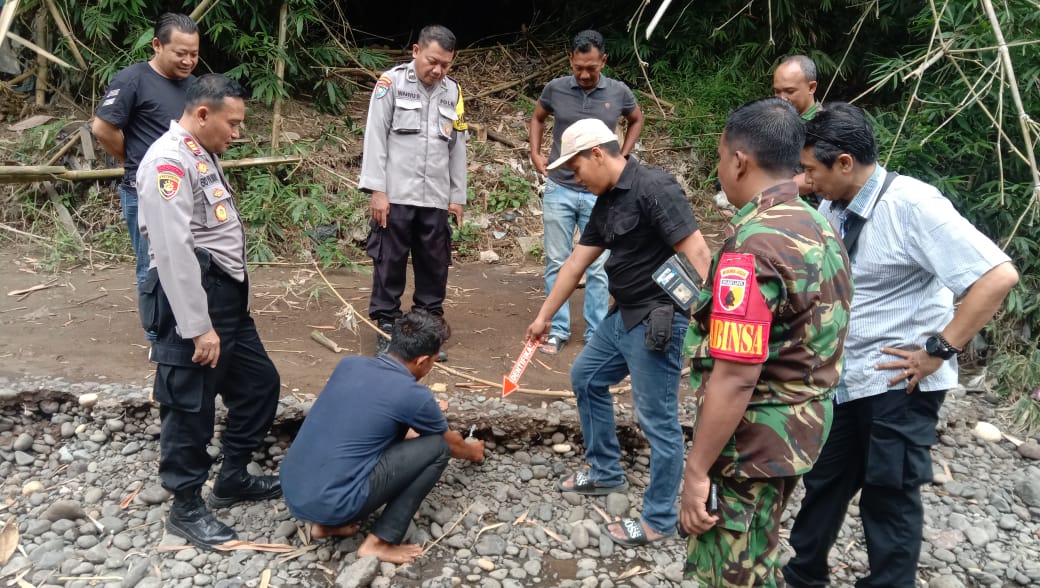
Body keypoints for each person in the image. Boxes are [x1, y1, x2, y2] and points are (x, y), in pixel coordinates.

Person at [782, 102, 1019, 588]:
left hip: (900, 379)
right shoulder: (833, 204)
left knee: (889, 495)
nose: (806, 181)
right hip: (846, 378)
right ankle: (803, 575)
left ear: (844, 163)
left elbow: (997, 276)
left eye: (810, 170)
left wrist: (939, 350)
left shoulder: (912, 205)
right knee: (824, 481)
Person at [677, 98, 852, 587]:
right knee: (760, 547)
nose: (720, 169)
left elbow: (735, 376)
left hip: (754, 440)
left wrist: (696, 472)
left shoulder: (752, 246)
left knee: (733, 570)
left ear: (738, 161)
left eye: (719, 158)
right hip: (802, 428)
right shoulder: (817, 224)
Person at [524, 118, 712, 547]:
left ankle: (660, 518)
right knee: (586, 378)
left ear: (597, 154)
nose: (575, 179)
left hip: (657, 319)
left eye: (575, 170)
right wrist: (543, 317)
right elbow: (575, 263)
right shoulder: (605, 200)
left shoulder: (654, 188)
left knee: (658, 421)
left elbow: (698, 252)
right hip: (621, 314)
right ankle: (606, 471)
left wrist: (709, 324)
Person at [136, 74, 282, 549]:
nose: (237, 134)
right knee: (190, 407)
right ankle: (185, 507)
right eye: (233, 123)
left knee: (260, 385)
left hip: (225, 298)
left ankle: (233, 477)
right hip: (189, 303)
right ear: (203, 114)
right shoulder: (168, 162)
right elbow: (175, 251)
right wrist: (198, 328)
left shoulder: (203, 153)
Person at [280, 310, 485, 564]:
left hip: (293, 489)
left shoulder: (350, 364)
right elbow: (449, 443)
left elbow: (369, 422)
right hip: (335, 502)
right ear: (423, 361)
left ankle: (325, 527)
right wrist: (473, 452)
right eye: (433, 361)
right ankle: (379, 541)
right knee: (437, 447)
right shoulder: (414, 395)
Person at [529, 29, 644, 355]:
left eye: (591, 68)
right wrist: (535, 153)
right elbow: (538, 117)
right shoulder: (556, 89)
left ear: (603, 61)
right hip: (559, 187)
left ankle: (596, 332)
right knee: (557, 261)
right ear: (570, 60)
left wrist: (623, 154)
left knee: (597, 265)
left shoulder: (618, 92)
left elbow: (636, 119)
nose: (583, 74)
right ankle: (557, 329)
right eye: (578, 67)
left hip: (600, 193)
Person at [358, 24, 467, 361]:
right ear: (416, 51)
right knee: (389, 262)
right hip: (396, 194)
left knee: (434, 265)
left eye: (446, 65)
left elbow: (458, 146)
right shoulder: (390, 83)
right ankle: (386, 330)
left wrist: (456, 196)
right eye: (433, 61)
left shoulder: (453, 92)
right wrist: (378, 190)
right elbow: (375, 137)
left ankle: (426, 333)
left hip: (435, 195)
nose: (438, 70)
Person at [92, 13, 200, 291]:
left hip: (187, 190)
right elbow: (103, 129)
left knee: (189, 260)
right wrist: (138, 163)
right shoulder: (132, 80)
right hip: (145, 193)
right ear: (157, 45)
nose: (188, 61)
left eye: (194, 54)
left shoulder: (195, 86)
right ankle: (157, 333)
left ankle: (186, 326)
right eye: (180, 53)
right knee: (153, 267)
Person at [772, 54, 821, 200]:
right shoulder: (783, 118)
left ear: (811, 87)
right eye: (777, 91)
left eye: (790, 91)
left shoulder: (822, 126)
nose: (782, 98)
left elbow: (814, 178)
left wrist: (768, 192)